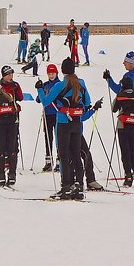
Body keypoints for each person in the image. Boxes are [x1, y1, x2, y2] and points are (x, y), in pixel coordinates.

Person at [39, 57, 90, 200]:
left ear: (63, 71)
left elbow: (45, 101)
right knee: (76, 154)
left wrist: (39, 89)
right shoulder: (81, 84)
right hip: (77, 123)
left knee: (64, 155)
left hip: (63, 122)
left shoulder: (60, 85)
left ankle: (66, 187)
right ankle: (79, 186)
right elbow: (87, 102)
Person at [112, 75, 134, 187]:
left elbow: (114, 109)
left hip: (123, 125)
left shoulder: (120, 95)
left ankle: (128, 176)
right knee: (132, 152)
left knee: (125, 152)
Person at [35, 64, 60, 172]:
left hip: (58, 114)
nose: (51, 75)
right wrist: (40, 89)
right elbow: (38, 99)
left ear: (56, 73)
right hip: (47, 114)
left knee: (59, 137)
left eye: (53, 73)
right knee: (48, 137)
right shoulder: (45, 85)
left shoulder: (59, 84)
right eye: (49, 73)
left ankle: (59, 161)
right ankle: (48, 161)